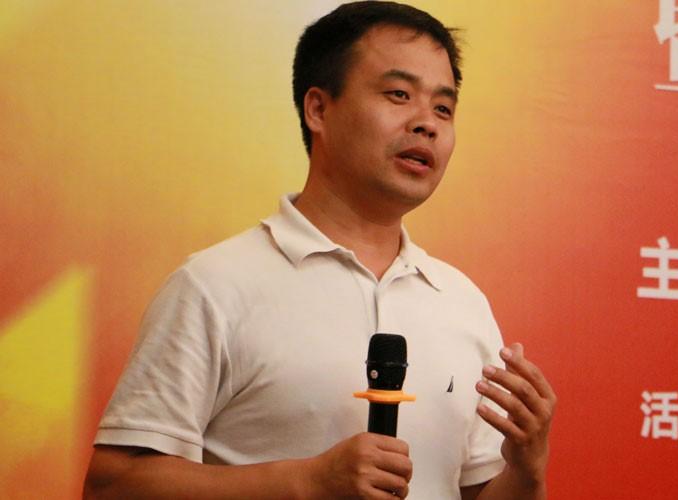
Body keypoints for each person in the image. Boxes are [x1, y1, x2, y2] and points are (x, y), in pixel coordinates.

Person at [83, 2, 556, 499]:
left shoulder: (462, 303)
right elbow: (112, 486)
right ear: (318, 109)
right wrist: (305, 481)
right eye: (399, 95)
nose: (427, 124)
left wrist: (526, 469)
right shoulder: (215, 285)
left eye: (443, 108)